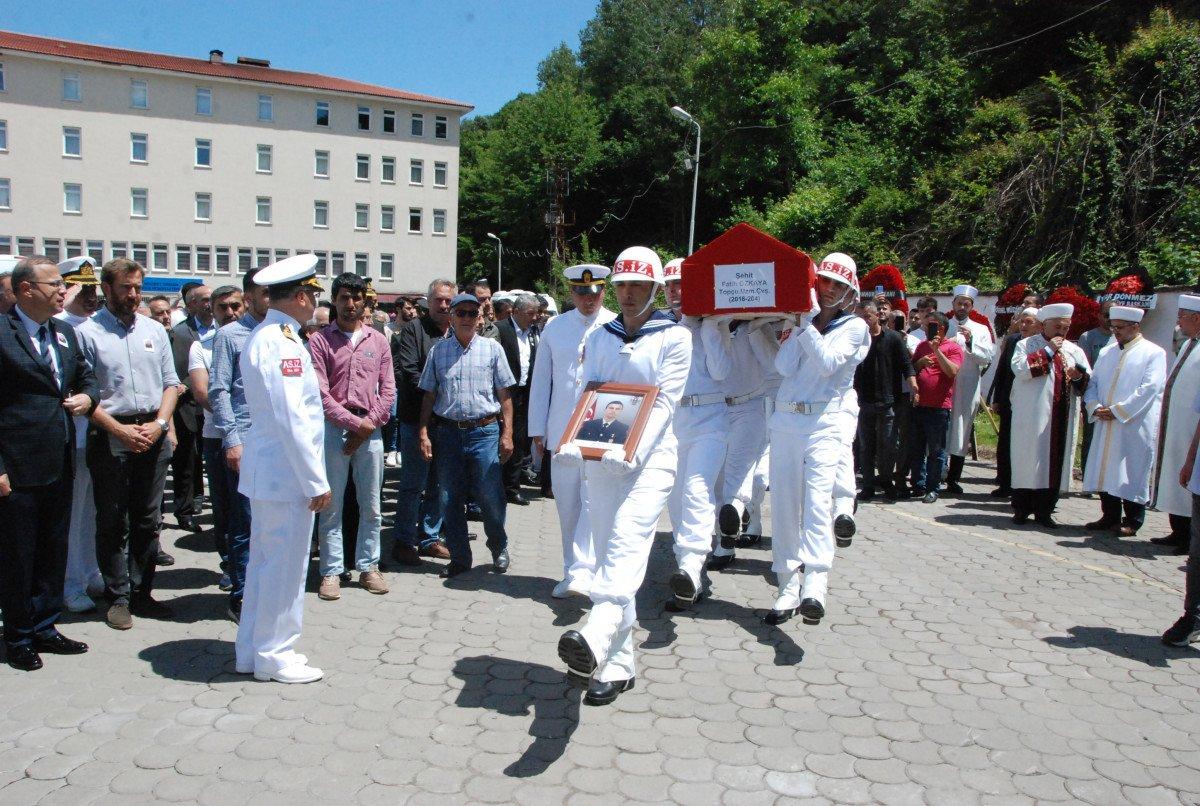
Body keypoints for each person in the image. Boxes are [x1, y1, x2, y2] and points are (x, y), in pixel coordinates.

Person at [555, 246, 689, 707]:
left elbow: (666, 402)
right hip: (603, 460)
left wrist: (634, 452)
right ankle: (617, 665)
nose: (629, 294)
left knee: (628, 541)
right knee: (611, 547)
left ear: (654, 288)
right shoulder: (600, 336)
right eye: (623, 285)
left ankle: (594, 631)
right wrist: (576, 441)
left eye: (638, 285)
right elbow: (591, 394)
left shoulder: (676, 337)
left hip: (650, 462)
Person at [235, 254, 331, 684]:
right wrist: (316, 480)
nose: (313, 301)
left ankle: (254, 651)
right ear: (298, 296)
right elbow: (293, 417)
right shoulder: (279, 341)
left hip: (274, 472)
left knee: (265, 565)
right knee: (283, 568)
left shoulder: (275, 336)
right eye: (311, 293)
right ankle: (275, 654)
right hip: (286, 474)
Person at [0, 256, 98, 671]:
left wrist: (87, 397)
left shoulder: (63, 334)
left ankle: (45, 626)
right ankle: (18, 637)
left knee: (51, 548)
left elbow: (86, 377)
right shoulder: (2, 333)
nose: (64, 290)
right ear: (26, 290)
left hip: (59, 456)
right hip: (17, 464)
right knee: (18, 553)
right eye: (55, 284)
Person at [762, 253, 868, 626]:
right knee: (785, 505)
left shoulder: (855, 327)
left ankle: (816, 585)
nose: (829, 289)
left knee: (817, 502)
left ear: (849, 290)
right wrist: (798, 323)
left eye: (838, 284)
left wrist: (805, 325)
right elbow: (783, 367)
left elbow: (826, 365)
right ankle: (787, 585)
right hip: (786, 420)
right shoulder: (802, 320)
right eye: (825, 281)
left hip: (824, 422)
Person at [77, 258, 180, 630]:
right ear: (107, 289)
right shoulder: (88, 333)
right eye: (126, 288)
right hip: (110, 434)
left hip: (153, 430)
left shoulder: (153, 329)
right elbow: (84, 394)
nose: (134, 295)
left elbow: (172, 383)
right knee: (113, 518)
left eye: (138, 288)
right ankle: (117, 595)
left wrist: (161, 424)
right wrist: (119, 432)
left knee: (148, 519)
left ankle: (142, 592)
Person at [528, 263, 616, 598]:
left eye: (593, 292)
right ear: (571, 293)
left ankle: (590, 572)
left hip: (601, 428)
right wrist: (538, 429)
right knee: (567, 503)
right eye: (581, 292)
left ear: (603, 291)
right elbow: (541, 380)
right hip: (562, 427)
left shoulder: (614, 325)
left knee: (595, 500)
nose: (588, 299)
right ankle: (571, 571)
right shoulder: (555, 327)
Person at [309, 274, 396, 600]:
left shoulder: (378, 341)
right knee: (331, 505)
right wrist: (351, 424)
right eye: (344, 297)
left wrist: (368, 425)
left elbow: (388, 390)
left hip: (370, 432)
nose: (350, 304)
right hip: (333, 431)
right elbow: (319, 393)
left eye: (356, 298)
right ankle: (331, 571)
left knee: (371, 506)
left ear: (365, 302)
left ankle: (368, 567)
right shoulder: (320, 341)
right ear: (335, 300)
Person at [417, 293, 515, 578]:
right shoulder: (438, 352)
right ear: (452, 316)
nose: (467, 318)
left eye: (473, 313)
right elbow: (429, 394)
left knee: (490, 496)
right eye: (461, 313)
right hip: (448, 433)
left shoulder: (492, 349)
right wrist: (423, 431)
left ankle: (499, 547)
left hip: (484, 431)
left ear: (479, 317)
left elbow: (505, 395)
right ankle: (460, 558)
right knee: (449, 497)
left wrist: (507, 433)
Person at [661, 256, 731, 608]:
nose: (675, 292)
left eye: (681, 285)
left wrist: (707, 327)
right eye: (670, 285)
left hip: (710, 417)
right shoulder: (658, 326)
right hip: (674, 421)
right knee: (675, 501)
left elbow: (721, 372)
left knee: (697, 489)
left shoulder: (712, 325)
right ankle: (691, 574)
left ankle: (690, 566)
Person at [208, 269, 269, 622]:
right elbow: (219, 391)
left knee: (270, 522)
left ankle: (266, 589)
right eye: (264, 293)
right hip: (245, 443)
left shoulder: (281, 334)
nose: (271, 299)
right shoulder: (230, 336)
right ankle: (242, 593)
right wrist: (231, 440)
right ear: (249, 298)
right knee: (244, 522)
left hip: (275, 444)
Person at [1083, 306, 1167, 536]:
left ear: (1135, 327)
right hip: (1105, 418)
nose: (1115, 332)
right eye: (1113, 327)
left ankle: (1133, 519)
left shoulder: (1153, 353)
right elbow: (1093, 383)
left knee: (1131, 467)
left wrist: (1119, 410)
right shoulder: (1107, 352)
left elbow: (1149, 388)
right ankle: (1109, 514)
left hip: (1133, 422)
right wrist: (1095, 406)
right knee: (1105, 466)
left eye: (1119, 328)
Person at [390, 279, 455, 566]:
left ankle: (429, 538)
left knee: (440, 483)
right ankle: (404, 541)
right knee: (413, 483)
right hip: (415, 419)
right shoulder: (412, 331)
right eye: (439, 300)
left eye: (448, 301)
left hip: (448, 421)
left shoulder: (457, 332)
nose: (443, 305)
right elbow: (409, 371)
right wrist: (442, 394)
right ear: (428, 301)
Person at [54, 257, 106, 613]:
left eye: (94, 290)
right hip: (67, 435)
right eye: (82, 289)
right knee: (70, 515)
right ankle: (69, 582)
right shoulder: (57, 326)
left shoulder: (90, 326)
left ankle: (89, 571)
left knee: (91, 511)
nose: (90, 296)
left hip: (95, 433)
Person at [1009, 304, 1091, 527]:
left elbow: (1087, 380)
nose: (1061, 332)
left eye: (1065, 328)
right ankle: (1021, 508)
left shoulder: (1074, 350)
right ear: (1044, 325)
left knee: (1054, 461)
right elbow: (1021, 370)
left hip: (1060, 416)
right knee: (1027, 458)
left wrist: (1077, 377)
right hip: (1031, 415)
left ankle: (1046, 510)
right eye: (1057, 327)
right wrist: (1047, 352)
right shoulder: (1026, 345)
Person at [187, 286, 244, 605]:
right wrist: (234, 421)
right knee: (224, 507)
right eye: (223, 307)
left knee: (246, 508)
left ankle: (244, 567)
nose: (230, 312)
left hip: (249, 439)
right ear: (212, 310)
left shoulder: (250, 340)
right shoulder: (202, 347)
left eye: (235, 305)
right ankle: (229, 566)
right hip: (216, 437)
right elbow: (202, 392)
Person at [852, 299, 917, 502]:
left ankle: (887, 481)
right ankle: (869, 485)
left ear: (875, 316)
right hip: (864, 401)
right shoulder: (856, 340)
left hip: (888, 400)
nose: (863, 321)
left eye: (866, 317)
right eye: (860, 317)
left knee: (888, 445)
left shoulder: (893, 338)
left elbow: (906, 364)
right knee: (866, 445)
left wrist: (913, 385)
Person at [1150, 296, 1200, 554]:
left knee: (1188, 479)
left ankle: (1189, 536)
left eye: (1182, 316)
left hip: (1192, 428)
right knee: (1174, 473)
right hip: (1176, 425)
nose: (1178, 321)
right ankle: (1178, 530)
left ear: (1197, 318)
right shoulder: (1189, 344)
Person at [170, 283, 214, 533]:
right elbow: (176, 372)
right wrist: (193, 383)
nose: (208, 304)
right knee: (186, 460)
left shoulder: (224, 330)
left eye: (211, 299)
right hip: (189, 405)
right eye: (203, 300)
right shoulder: (181, 333)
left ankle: (202, 499)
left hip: (214, 406)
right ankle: (184, 510)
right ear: (192, 305)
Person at [944, 285, 994, 494]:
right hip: (944, 385)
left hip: (967, 385)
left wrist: (971, 341)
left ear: (971, 306)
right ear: (953, 304)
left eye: (966, 304)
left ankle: (953, 478)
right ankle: (936, 472)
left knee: (960, 430)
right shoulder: (944, 325)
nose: (962, 307)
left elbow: (987, 357)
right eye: (959, 303)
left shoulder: (981, 329)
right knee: (942, 428)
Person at [909, 311, 964, 503]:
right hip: (919, 404)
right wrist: (919, 363)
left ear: (941, 328)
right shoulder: (922, 346)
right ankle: (918, 484)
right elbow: (911, 370)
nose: (925, 328)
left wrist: (937, 350)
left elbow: (952, 371)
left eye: (930, 325)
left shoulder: (953, 348)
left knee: (936, 451)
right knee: (916, 448)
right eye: (925, 325)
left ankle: (933, 488)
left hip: (939, 407)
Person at [988, 307, 1041, 497]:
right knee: (1006, 442)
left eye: (1029, 322)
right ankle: (1004, 483)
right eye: (1022, 321)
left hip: (1033, 403)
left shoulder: (1042, 345)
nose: (1024, 325)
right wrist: (996, 399)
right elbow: (1002, 370)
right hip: (1010, 399)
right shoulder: (1012, 341)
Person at [496, 294, 540, 505]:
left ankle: (512, 488)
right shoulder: (501, 329)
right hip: (504, 393)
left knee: (520, 441)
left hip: (525, 393)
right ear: (517, 312)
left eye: (536, 313)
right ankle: (495, 486)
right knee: (501, 438)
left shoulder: (534, 332)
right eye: (530, 313)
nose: (535, 317)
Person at [1078, 302, 1115, 474]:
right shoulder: (1088, 337)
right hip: (1093, 394)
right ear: (1099, 315)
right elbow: (1084, 367)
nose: (1110, 320)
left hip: (1115, 396)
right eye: (1107, 315)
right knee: (1091, 436)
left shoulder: (1119, 338)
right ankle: (1087, 475)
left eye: (1113, 316)